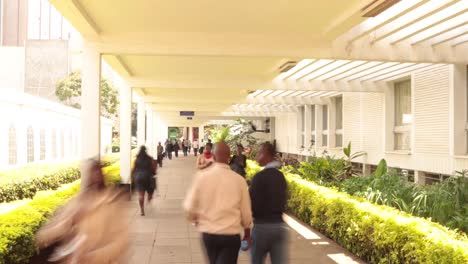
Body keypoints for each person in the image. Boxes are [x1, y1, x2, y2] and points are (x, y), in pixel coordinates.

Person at [36, 159, 129, 263]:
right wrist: (69, 222)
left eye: (98, 173)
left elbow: (121, 241)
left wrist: (92, 256)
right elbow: (45, 235)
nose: (95, 178)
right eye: (91, 174)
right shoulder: (77, 202)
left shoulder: (111, 202)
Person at [184, 141, 252, 264]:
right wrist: (247, 233)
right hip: (231, 235)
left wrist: (195, 219)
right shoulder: (239, 180)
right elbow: (246, 212)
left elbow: (189, 206)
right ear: (229, 157)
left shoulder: (201, 177)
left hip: (209, 234)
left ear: (213, 157)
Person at [249, 142, 288, 264]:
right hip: (279, 227)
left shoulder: (259, 177)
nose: (256, 157)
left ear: (266, 155)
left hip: (261, 228)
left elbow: (251, 203)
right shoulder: (280, 176)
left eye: (259, 153)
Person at [132, 146, 157, 216]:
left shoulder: (136, 159)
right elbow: (153, 168)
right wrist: (153, 172)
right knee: (150, 191)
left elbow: (134, 169)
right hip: (148, 177)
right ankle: (149, 198)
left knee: (141, 195)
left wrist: (134, 176)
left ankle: (142, 210)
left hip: (139, 178)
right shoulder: (149, 158)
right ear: (146, 151)